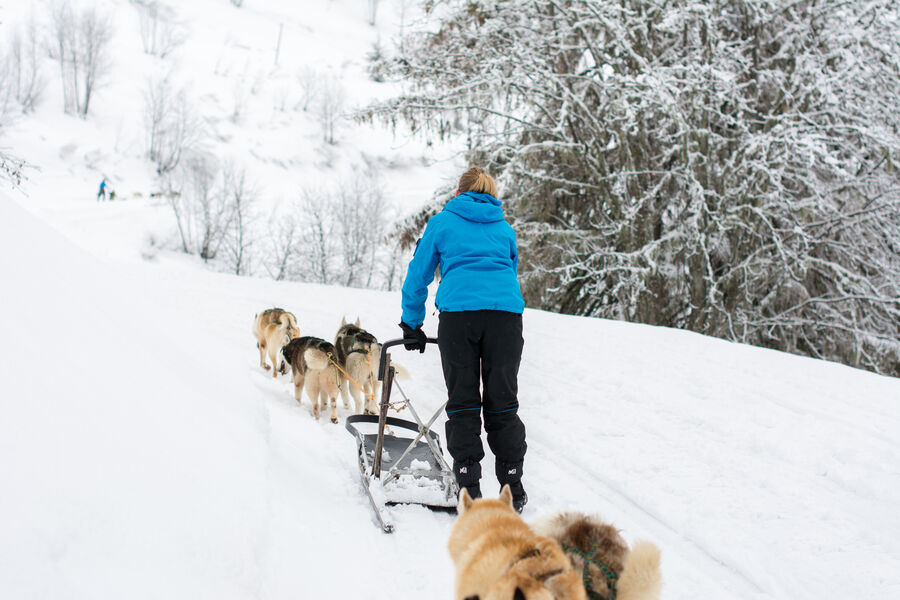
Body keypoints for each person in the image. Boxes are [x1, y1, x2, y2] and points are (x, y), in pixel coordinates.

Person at [399, 166, 528, 512]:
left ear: (459, 192)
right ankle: (512, 483)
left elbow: (418, 274)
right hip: (505, 319)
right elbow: (509, 272)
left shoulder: (443, 222)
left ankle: (469, 484)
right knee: (503, 400)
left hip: (460, 317)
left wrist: (412, 323)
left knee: (464, 401)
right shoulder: (504, 228)